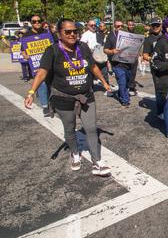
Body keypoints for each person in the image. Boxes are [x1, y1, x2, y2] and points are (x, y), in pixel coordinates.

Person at [24, 18, 112, 177]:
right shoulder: (52, 50)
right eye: (68, 32)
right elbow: (42, 72)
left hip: (86, 96)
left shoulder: (83, 47)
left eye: (75, 31)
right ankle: (75, 154)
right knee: (69, 129)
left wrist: (105, 82)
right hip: (63, 99)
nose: (72, 34)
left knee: (91, 129)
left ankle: (97, 161)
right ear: (59, 33)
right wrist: (31, 92)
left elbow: (92, 66)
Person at [20, 15, 51, 117]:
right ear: (31, 23)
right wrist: (28, 57)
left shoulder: (47, 33)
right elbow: (23, 52)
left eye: (39, 21)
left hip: (50, 63)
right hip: (36, 65)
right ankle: (45, 106)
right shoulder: (26, 36)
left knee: (51, 84)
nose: (37, 23)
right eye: (34, 21)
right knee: (41, 84)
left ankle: (52, 103)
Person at [104, 20, 132, 107]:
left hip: (128, 64)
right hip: (117, 64)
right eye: (117, 26)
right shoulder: (111, 36)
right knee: (122, 82)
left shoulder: (127, 35)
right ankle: (125, 100)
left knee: (127, 83)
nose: (120, 28)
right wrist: (112, 51)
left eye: (121, 26)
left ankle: (121, 93)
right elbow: (105, 50)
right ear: (114, 27)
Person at [142, 17, 165, 118]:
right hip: (156, 69)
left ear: (161, 25)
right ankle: (160, 111)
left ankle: (167, 108)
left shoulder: (166, 37)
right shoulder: (148, 39)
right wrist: (152, 59)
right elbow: (145, 55)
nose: (155, 27)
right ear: (151, 26)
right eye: (153, 25)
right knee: (159, 91)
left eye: (157, 25)